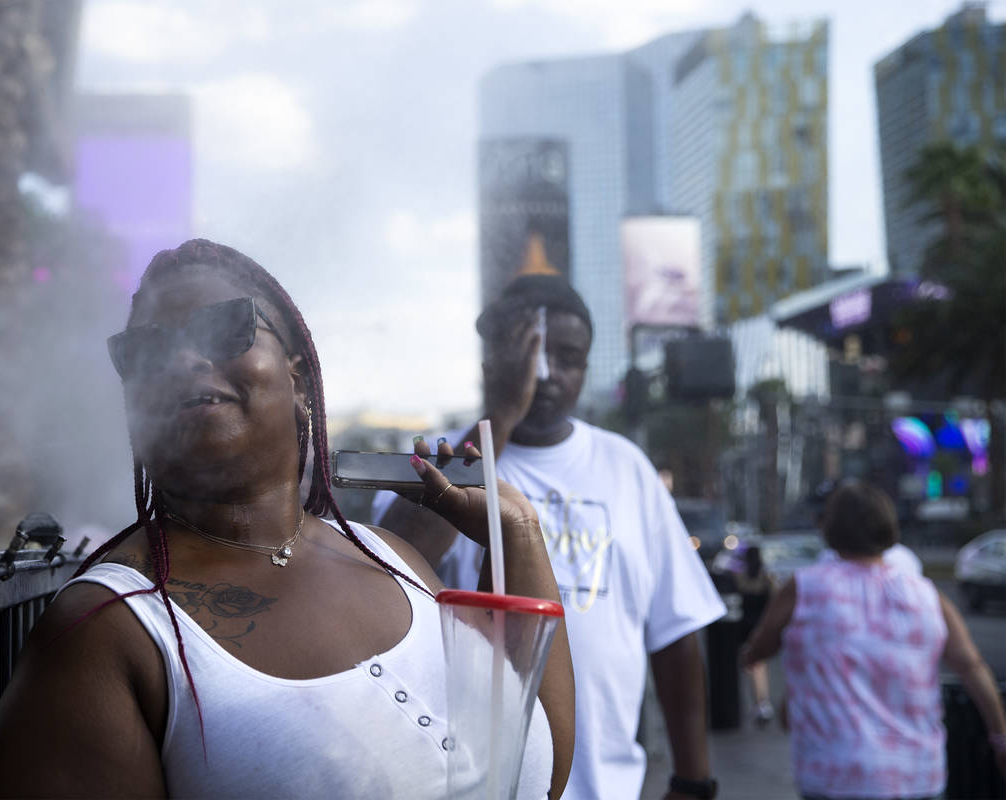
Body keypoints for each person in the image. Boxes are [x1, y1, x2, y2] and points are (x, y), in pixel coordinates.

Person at [0, 239, 575, 798]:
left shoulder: (393, 559)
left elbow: (533, 774)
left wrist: (518, 532)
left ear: (295, 376)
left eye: (220, 328)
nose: (183, 359)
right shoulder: (108, 632)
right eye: (147, 351)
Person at [375, 274, 725, 800]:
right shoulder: (445, 462)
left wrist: (693, 781)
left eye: (569, 357)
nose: (549, 374)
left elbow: (674, 633)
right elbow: (387, 571)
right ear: (493, 359)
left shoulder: (625, 467)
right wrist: (500, 415)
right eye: (532, 355)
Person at [742, 481, 1006, 800]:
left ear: (830, 528)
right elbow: (971, 666)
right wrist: (999, 736)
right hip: (916, 776)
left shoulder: (804, 589)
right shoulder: (926, 594)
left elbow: (760, 648)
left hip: (833, 776)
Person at [733, 544, 774, 726]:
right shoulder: (766, 579)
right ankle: (761, 702)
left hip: (744, 629)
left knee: (752, 666)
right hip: (761, 626)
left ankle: (761, 703)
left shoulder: (740, 579)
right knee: (757, 666)